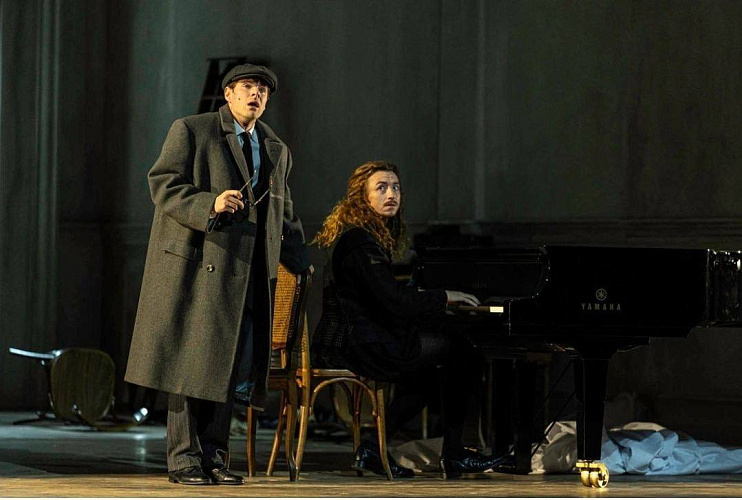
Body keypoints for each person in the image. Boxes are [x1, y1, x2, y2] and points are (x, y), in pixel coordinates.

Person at [125, 63, 310, 486]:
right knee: (188, 364)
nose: (255, 94)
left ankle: (214, 456)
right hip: (197, 269)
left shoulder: (275, 147)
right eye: (247, 86)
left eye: (262, 89)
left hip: (244, 274)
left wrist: (302, 263)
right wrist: (209, 203)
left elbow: (285, 213)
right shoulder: (193, 130)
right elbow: (162, 183)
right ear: (228, 93)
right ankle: (184, 459)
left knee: (228, 365)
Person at [311, 160, 505, 479]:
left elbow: (388, 300)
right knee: (464, 350)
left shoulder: (365, 237)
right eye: (381, 188)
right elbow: (395, 302)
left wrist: (430, 304)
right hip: (361, 344)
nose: (391, 194)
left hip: (362, 338)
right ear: (362, 197)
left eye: (395, 187)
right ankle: (454, 454)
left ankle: (375, 448)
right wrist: (444, 297)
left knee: (426, 378)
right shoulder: (359, 241)